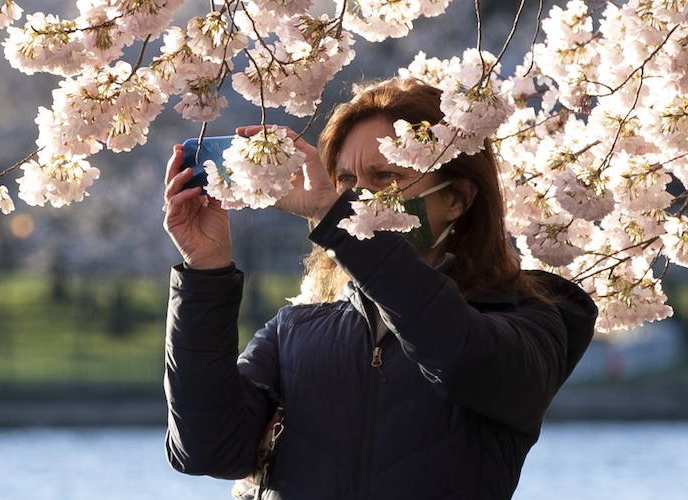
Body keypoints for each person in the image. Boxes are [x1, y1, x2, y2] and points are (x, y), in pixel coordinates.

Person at [161, 77, 597, 500]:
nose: (358, 198)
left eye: (384, 176)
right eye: (346, 181)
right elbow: (206, 449)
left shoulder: (529, 318)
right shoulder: (294, 331)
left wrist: (345, 230)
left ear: (457, 199)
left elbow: (463, 359)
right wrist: (205, 271)